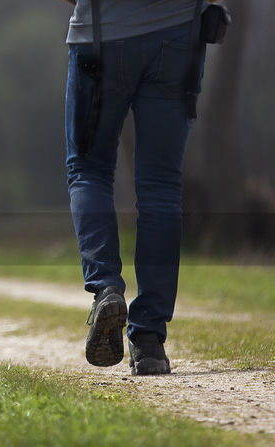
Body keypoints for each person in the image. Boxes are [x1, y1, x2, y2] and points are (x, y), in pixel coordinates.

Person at [62, 0, 215, 375]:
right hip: (178, 34)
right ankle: (148, 340)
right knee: (161, 185)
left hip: (103, 34)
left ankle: (106, 288)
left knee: (89, 168)